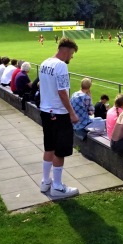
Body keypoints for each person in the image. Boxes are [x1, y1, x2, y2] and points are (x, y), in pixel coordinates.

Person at [38, 37, 80, 198]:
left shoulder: (44, 63)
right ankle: (57, 186)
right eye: (72, 54)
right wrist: (72, 113)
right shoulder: (61, 66)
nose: (72, 57)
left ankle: (45, 182)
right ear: (67, 50)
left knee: (49, 147)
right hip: (59, 113)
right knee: (60, 150)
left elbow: (42, 85)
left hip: (46, 111)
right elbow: (62, 92)